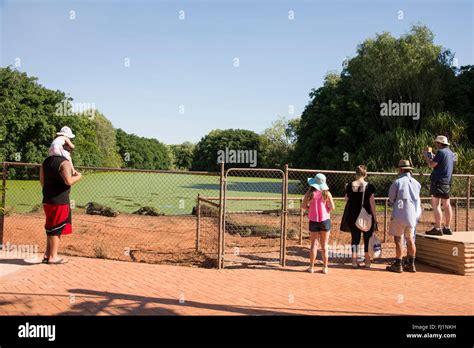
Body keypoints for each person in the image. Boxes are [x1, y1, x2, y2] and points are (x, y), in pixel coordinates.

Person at [39, 154, 82, 264]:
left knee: (50, 227)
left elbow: (42, 182)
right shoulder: (64, 163)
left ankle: (47, 255)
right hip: (59, 201)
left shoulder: (46, 162)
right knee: (57, 228)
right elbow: (68, 181)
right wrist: (78, 176)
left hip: (47, 199)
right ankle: (53, 257)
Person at [386, 160, 421, 273]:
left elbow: (391, 199)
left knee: (398, 238)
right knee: (410, 238)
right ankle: (411, 264)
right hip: (412, 215)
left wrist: (394, 203)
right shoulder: (416, 183)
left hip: (399, 213)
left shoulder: (397, 182)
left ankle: (398, 263)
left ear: (401, 170)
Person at [340, 165, 377, 268]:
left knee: (355, 239)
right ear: (365, 173)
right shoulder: (369, 186)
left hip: (353, 215)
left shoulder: (350, 186)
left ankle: (354, 261)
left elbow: (346, 199)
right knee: (367, 238)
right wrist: (375, 217)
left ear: (356, 173)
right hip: (367, 215)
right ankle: (367, 261)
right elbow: (372, 203)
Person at [302, 173, 335, 274]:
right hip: (325, 221)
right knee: (324, 245)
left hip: (313, 220)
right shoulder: (326, 193)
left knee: (313, 244)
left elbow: (303, 206)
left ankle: (311, 267)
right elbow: (332, 207)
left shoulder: (309, 193)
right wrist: (326, 210)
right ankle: (325, 267)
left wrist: (309, 209)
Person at [423, 135, 455, 236]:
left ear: (440, 143)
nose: (435, 145)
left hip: (438, 181)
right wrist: (432, 156)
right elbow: (442, 163)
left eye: (437, 143)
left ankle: (437, 228)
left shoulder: (441, 152)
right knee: (447, 204)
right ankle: (447, 227)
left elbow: (432, 165)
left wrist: (427, 157)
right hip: (447, 181)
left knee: (436, 205)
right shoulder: (450, 153)